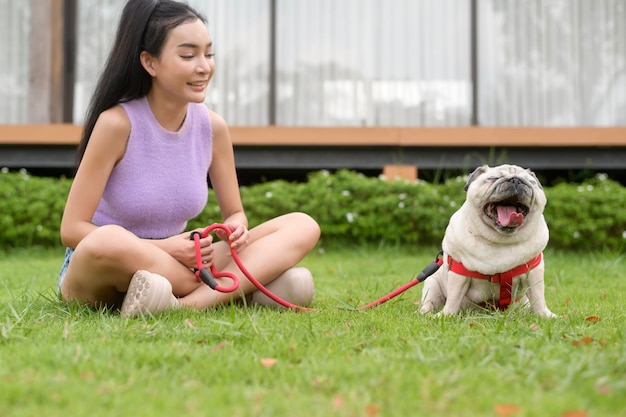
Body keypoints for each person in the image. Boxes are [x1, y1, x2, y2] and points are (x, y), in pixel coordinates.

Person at [58, 0, 320, 317]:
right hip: (104, 267)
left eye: (208, 53)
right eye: (188, 55)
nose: (204, 66)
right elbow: (72, 229)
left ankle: (184, 304)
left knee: (302, 225)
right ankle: (244, 287)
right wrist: (165, 248)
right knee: (109, 241)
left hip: (184, 260)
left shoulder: (213, 128)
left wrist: (235, 229)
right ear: (149, 63)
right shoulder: (117, 124)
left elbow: (235, 213)